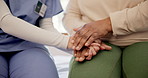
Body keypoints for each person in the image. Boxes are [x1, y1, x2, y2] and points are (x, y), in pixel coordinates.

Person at [63, 0, 148, 78]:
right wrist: (86, 36)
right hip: (96, 44)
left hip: (143, 40)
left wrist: (109, 24)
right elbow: (71, 15)